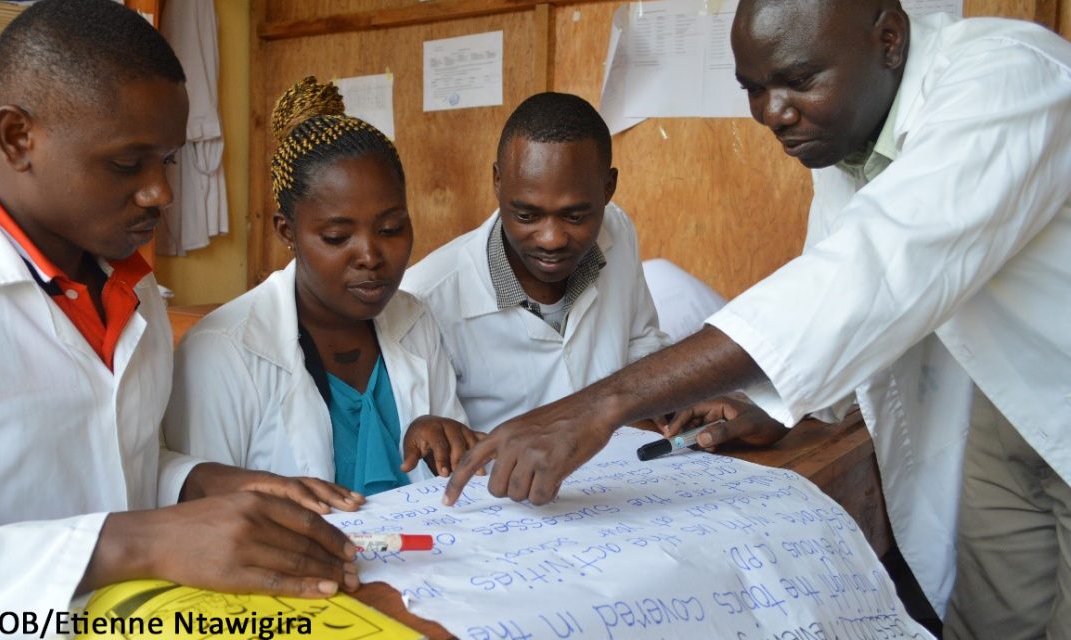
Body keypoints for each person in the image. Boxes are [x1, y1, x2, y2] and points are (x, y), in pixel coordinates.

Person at [444, 1, 1071, 636]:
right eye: (754, 88)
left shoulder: (1011, 79)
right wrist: (777, 404)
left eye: (799, 81)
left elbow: (873, 276)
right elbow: (847, 298)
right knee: (994, 617)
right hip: (1007, 400)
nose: (773, 113)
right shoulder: (847, 137)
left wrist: (597, 406)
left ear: (888, 40)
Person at [0, 2, 358, 633]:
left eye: (166, 161)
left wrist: (196, 482)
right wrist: (132, 544)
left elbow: (97, 466)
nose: (160, 193)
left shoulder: (131, 289)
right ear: (16, 138)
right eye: (126, 164)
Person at [164, 77, 481, 495]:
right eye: (336, 237)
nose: (370, 255)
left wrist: (442, 437)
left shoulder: (414, 319)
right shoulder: (222, 352)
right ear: (287, 230)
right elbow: (204, 521)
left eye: (391, 228)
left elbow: (455, 481)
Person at [400, 92, 668, 432]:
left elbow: (641, 343)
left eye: (575, 216)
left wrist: (673, 395)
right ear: (498, 181)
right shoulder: (425, 300)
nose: (551, 239)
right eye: (527, 215)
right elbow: (439, 441)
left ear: (608, 188)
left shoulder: (617, 229)